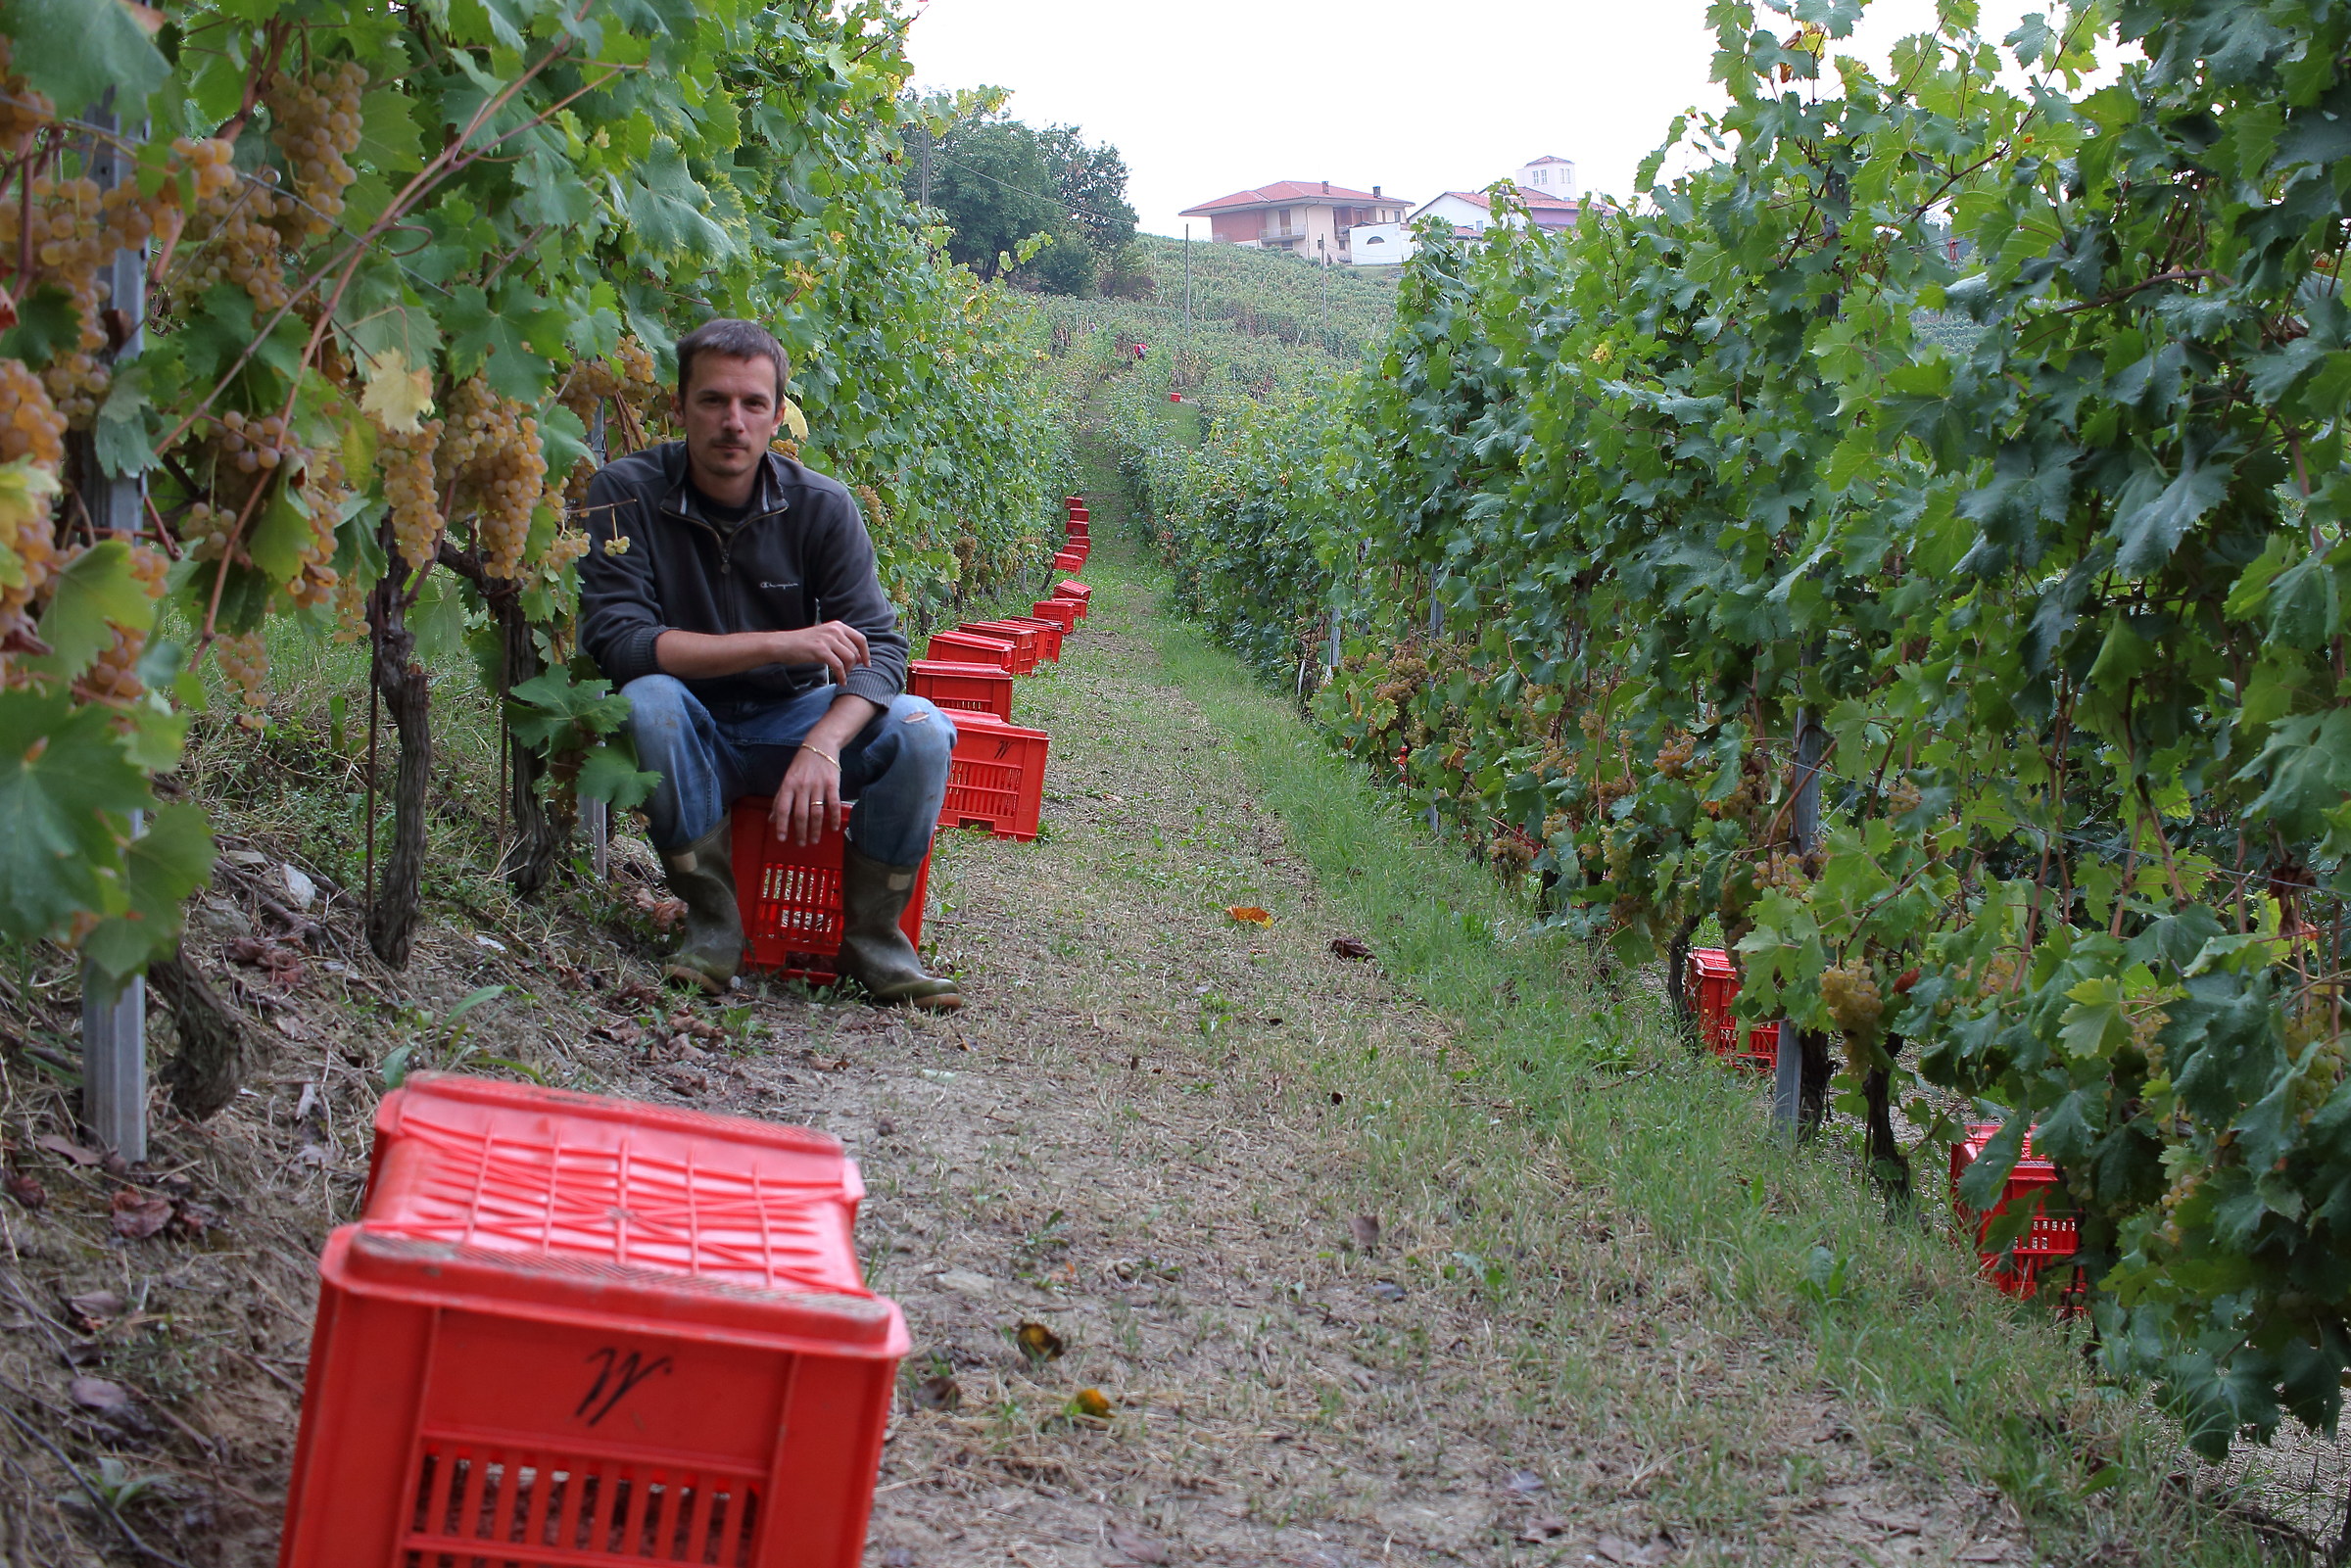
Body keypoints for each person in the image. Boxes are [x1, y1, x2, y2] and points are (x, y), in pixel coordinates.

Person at [576, 317, 961, 1009]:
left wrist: (823, 742)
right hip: (691, 732)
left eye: (753, 404)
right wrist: (784, 642)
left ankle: (875, 940)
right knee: (649, 699)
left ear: (777, 415)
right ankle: (714, 926)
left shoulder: (820, 507)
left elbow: (883, 651)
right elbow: (623, 644)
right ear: (678, 405)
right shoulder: (622, 492)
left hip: (792, 724)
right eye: (713, 400)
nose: (733, 421)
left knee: (924, 727)